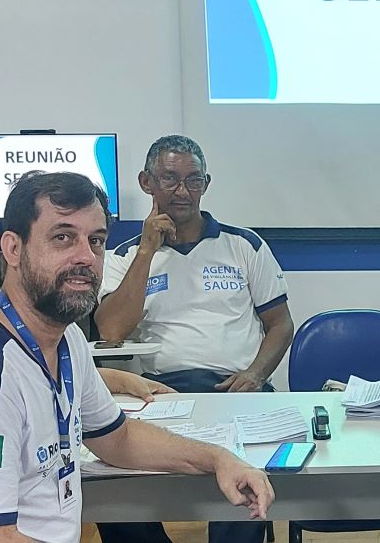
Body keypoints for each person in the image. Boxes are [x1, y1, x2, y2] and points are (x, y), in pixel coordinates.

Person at [0, 171, 274, 543]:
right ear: (13, 249)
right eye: (63, 238)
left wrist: (219, 459)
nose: (86, 257)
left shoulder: (67, 338)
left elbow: (118, 439)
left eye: (96, 241)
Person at [92, 135, 287, 543]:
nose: (182, 191)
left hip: (236, 391)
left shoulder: (244, 245)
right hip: (161, 394)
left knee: (245, 483)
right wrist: (147, 251)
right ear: (146, 182)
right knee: (110, 483)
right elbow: (110, 331)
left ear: (206, 184)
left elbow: (281, 325)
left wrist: (255, 373)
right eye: (169, 179)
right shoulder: (125, 256)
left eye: (193, 180)